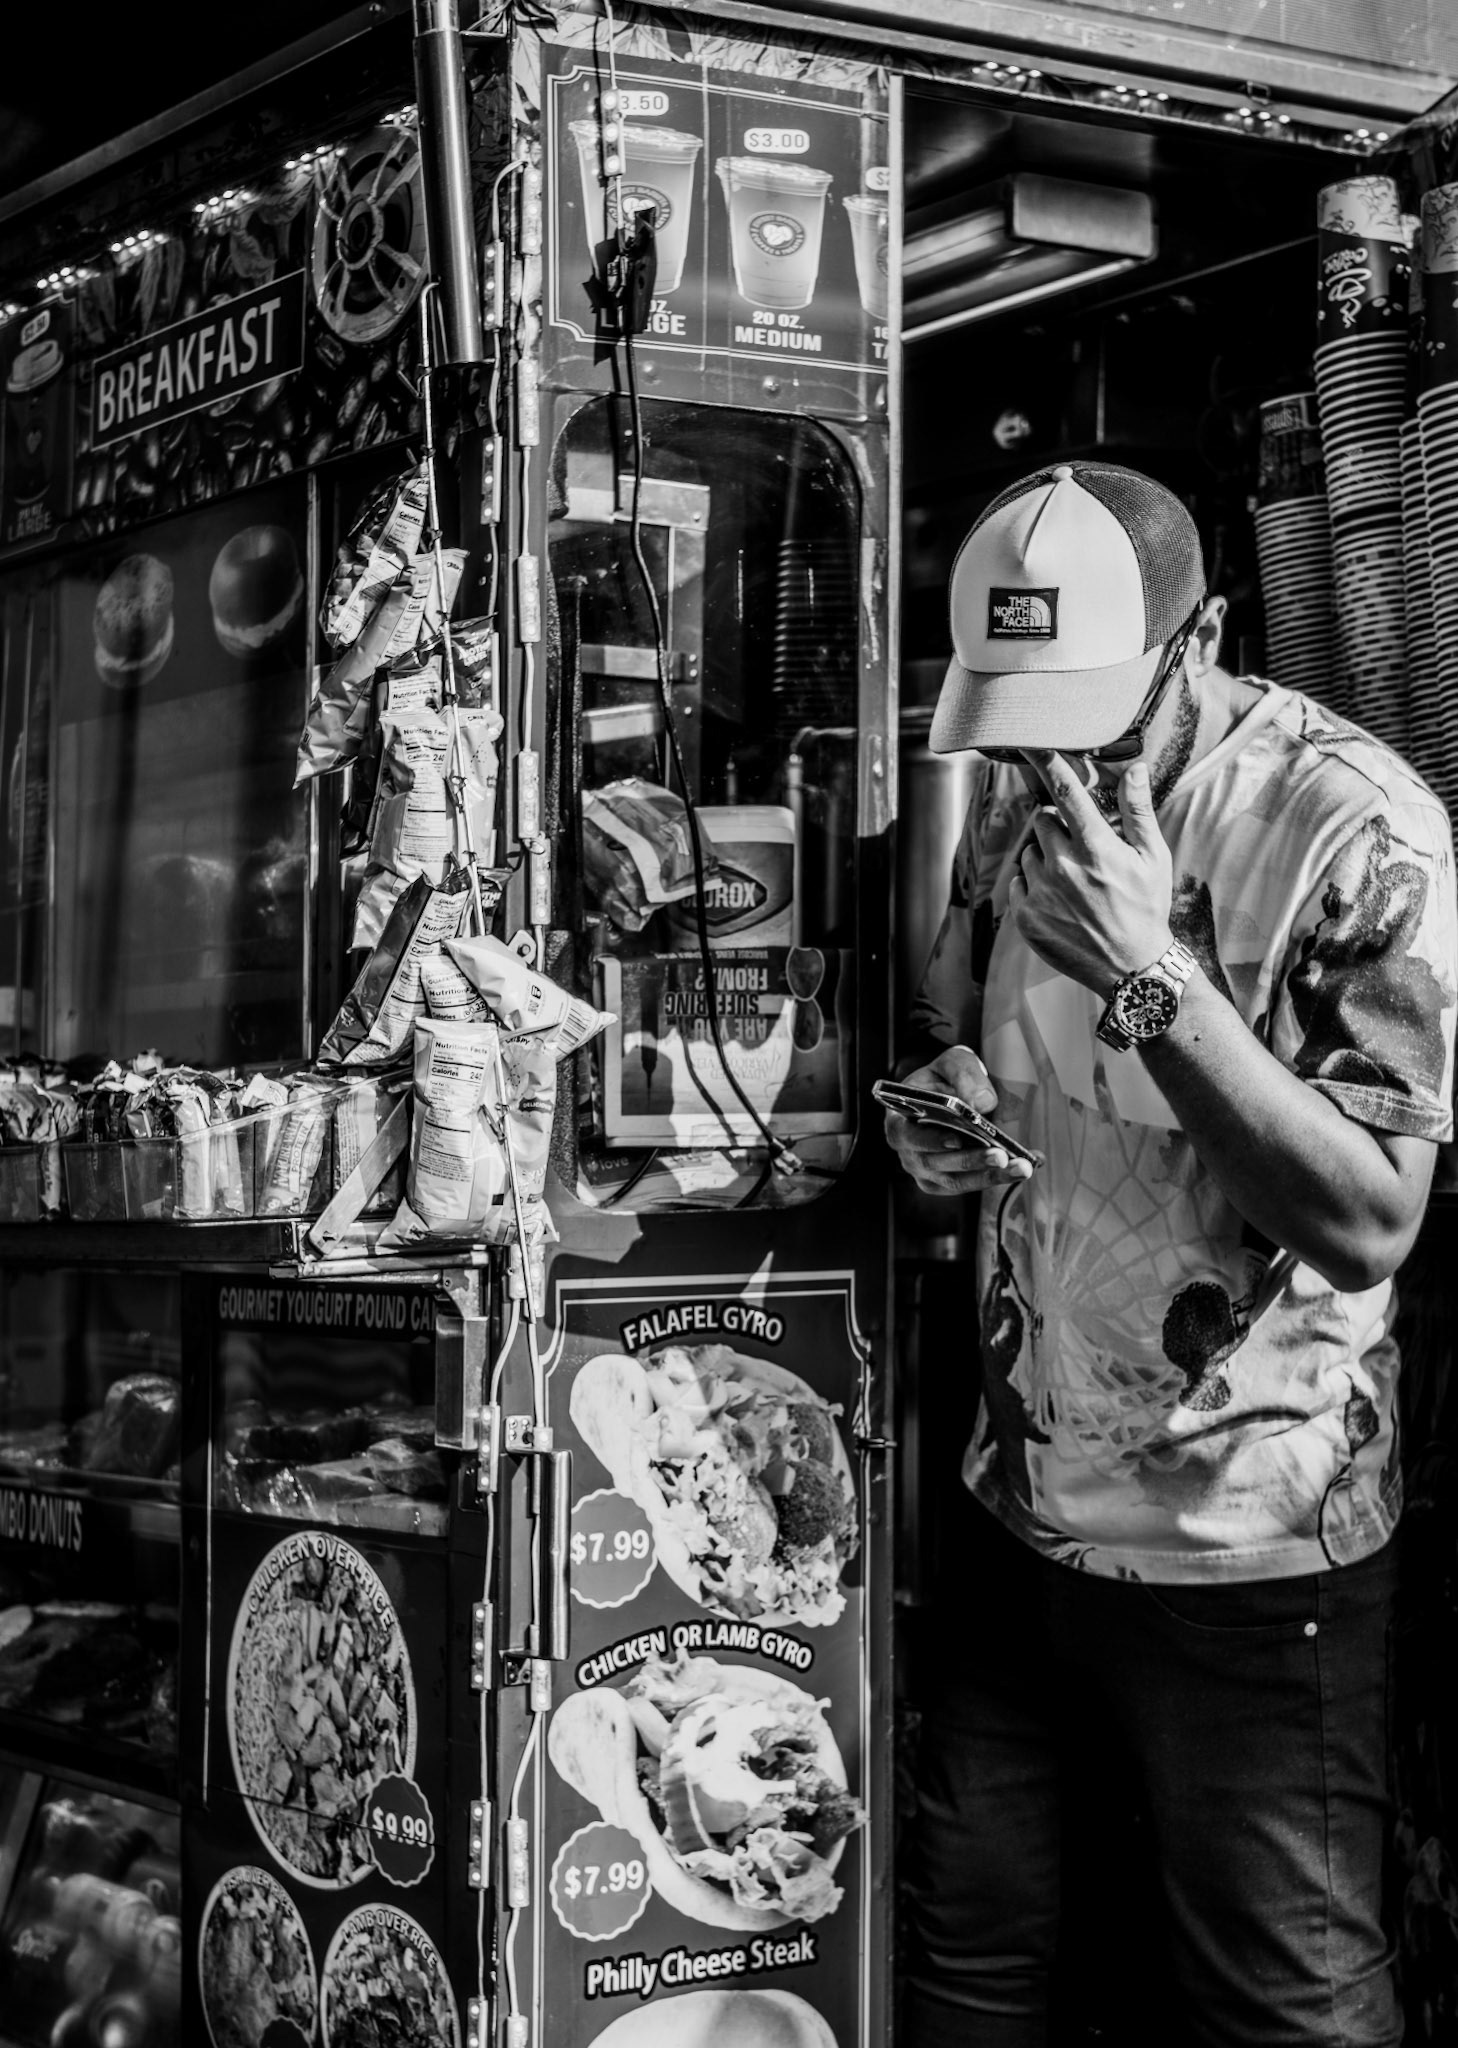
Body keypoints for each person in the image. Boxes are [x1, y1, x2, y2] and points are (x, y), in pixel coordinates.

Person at [889, 459, 1458, 2048]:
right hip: (1020, 1514)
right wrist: (943, 1114)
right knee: (967, 1970)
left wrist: (1150, 973)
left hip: (1248, 1548)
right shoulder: (1010, 790)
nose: (1054, 758)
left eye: (1091, 711)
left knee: (1282, 2007)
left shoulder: (1354, 825)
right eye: (1020, 716)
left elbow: (1364, 1221)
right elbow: (981, 1055)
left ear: (1199, 635)